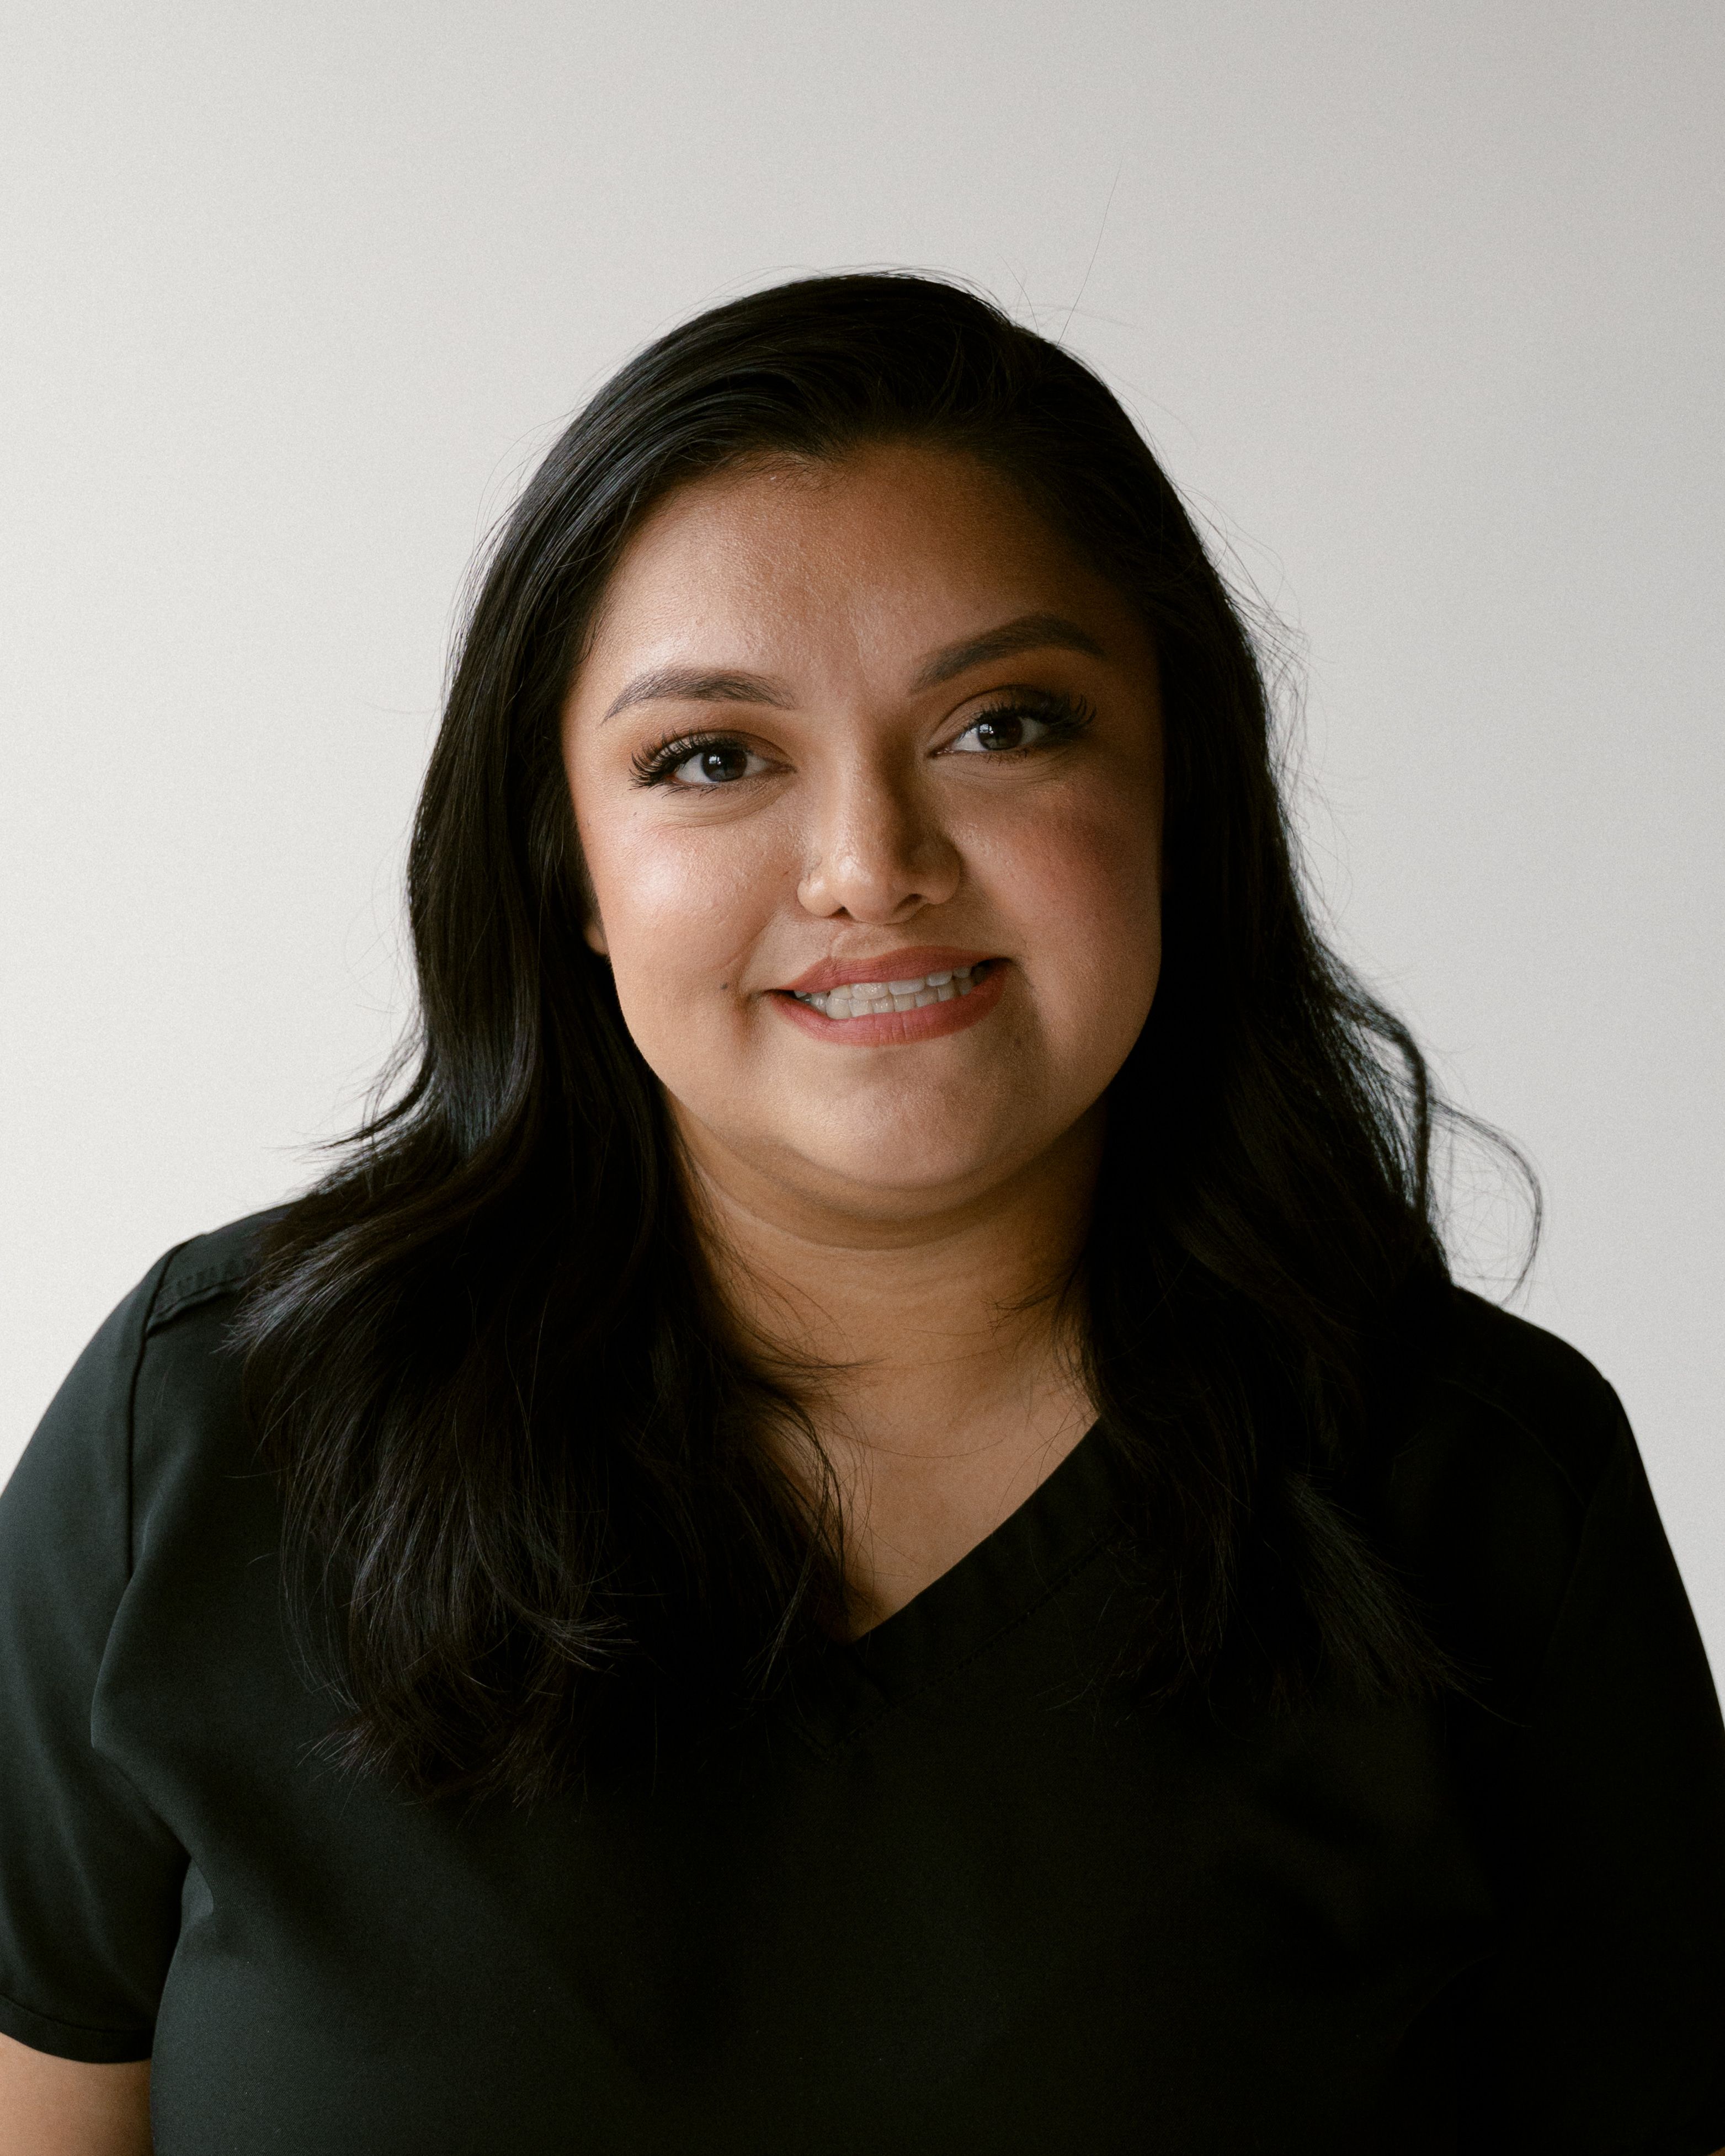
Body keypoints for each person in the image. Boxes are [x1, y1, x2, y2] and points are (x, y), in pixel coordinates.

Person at [1, 274, 1720, 2156]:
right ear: (566, 863)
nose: (869, 867)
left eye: (1003, 725)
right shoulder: (212, 1431)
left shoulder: (1486, 1498)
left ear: (1182, 791)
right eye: (713, 756)